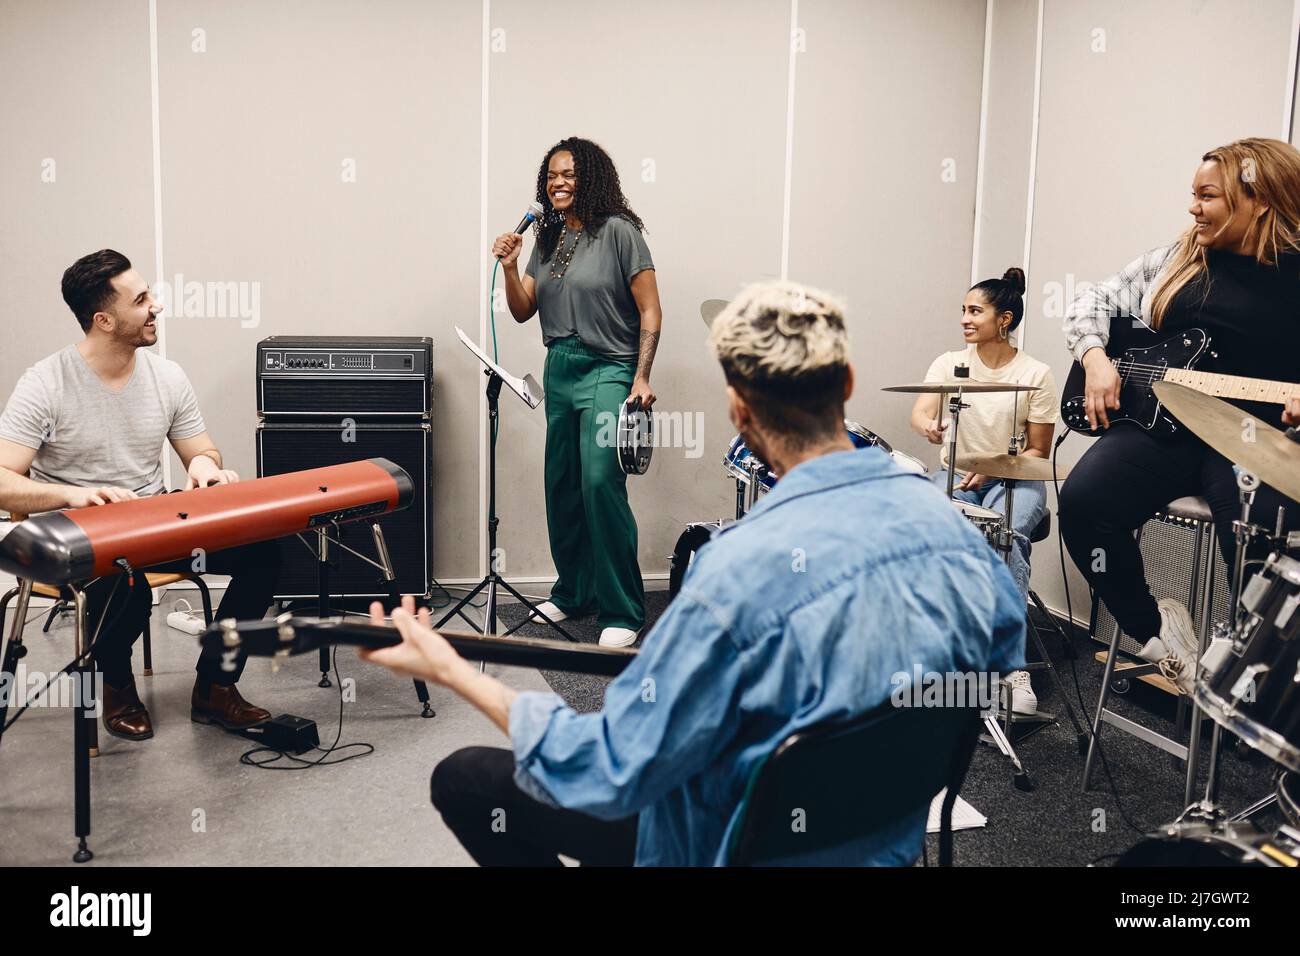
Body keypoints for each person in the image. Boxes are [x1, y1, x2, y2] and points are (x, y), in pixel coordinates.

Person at [360, 279, 1025, 866]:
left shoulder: (733, 577)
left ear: (738, 413)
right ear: (846, 388)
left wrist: (446, 668)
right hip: (880, 839)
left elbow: (610, 769)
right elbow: (989, 656)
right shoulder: (956, 534)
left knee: (467, 777)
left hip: (728, 845)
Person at [0, 249, 278, 740]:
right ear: (104, 320)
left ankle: (215, 687)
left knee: (265, 551)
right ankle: (117, 685)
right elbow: (3, 481)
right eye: (142, 299)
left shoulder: (166, 377)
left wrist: (204, 465)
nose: (157, 307)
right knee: (122, 581)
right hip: (78, 538)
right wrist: (76, 496)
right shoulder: (45, 383)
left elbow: (203, 447)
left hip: (155, 521)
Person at [1059, 137, 1300, 693]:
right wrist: (1096, 360)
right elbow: (1089, 300)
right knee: (1083, 504)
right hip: (1164, 425)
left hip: (1251, 436)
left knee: (1258, 539)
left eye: (1207, 196)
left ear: (1258, 199)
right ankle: (1157, 636)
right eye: (1192, 194)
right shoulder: (1180, 255)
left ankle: (1255, 684)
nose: (1193, 207)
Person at [492, 137, 663, 648]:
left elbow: (650, 310)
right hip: (560, 368)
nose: (558, 182)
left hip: (609, 367)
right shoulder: (545, 238)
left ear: (591, 177)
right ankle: (574, 593)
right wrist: (508, 264)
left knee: (598, 483)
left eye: (568, 174)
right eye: (551, 176)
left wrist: (642, 376)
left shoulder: (620, 233)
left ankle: (623, 610)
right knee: (562, 484)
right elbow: (524, 310)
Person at [910, 267, 1058, 714]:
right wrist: (929, 426)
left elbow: (1037, 452)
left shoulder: (1036, 373)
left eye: (975, 311)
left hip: (1015, 480)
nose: (965, 319)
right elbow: (920, 411)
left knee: (1006, 537)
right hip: (956, 476)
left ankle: (1012, 667)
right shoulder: (949, 363)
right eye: (963, 310)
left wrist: (994, 472)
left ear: (1005, 319)